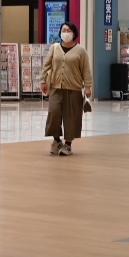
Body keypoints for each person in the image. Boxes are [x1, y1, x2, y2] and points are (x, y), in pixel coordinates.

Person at [40, 21, 92, 156]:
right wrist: (42, 81)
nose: (66, 33)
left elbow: (86, 70)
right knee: (54, 113)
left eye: (69, 30)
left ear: (74, 33)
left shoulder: (81, 50)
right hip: (55, 88)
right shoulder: (55, 48)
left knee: (71, 117)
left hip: (74, 89)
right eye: (64, 30)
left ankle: (68, 144)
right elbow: (46, 65)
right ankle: (57, 141)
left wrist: (88, 87)